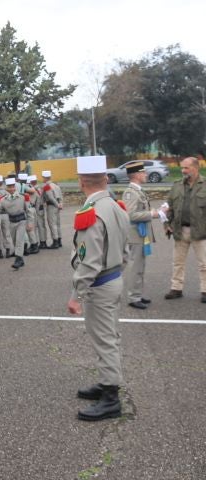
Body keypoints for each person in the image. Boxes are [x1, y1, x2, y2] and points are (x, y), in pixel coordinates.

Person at [67, 155, 129, 422]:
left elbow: (89, 262)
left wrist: (76, 295)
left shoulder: (91, 213)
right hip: (113, 278)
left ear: (81, 182)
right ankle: (106, 382)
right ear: (105, 179)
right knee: (109, 336)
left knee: (104, 340)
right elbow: (126, 249)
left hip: (100, 284)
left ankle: (111, 398)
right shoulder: (116, 206)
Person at [164, 156, 206, 303]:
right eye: (182, 168)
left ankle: (205, 291)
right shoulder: (176, 186)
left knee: (204, 264)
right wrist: (167, 224)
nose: (183, 171)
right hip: (180, 231)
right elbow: (169, 207)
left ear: (195, 168)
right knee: (178, 262)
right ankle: (176, 289)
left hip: (201, 232)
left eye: (186, 168)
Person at [121, 162, 159, 309]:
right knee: (135, 267)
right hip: (135, 235)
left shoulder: (138, 190)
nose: (146, 175)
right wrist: (152, 214)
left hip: (140, 234)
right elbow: (130, 215)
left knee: (140, 266)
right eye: (143, 173)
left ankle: (137, 294)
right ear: (136, 175)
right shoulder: (130, 192)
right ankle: (133, 297)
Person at [0, 178, 28, 270]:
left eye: (13, 186)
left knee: (19, 241)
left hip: (21, 221)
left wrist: (30, 223)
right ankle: (21, 259)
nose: (11, 189)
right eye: (9, 187)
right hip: (12, 222)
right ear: (6, 188)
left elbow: (29, 210)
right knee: (15, 242)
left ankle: (18, 260)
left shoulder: (22, 197)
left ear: (15, 187)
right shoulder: (3, 200)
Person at [0, 175, 14, 258]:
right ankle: (8, 250)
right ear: (2, 182)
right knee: (6, 233)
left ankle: (0, 251)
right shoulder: (7, 192)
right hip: (5, 214)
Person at [41, 171, 61, 248]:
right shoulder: (56, 185)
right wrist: (60, 204)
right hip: (57, 205)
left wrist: (57, 205)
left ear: (45, 178)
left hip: (52, 206)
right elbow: (60, 196)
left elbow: (51, 197)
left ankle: (55, 242)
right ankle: (59, 240)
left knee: (52, 224)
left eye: (43, 177)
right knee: (57, 223)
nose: (42, 179)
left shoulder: (47, 186)